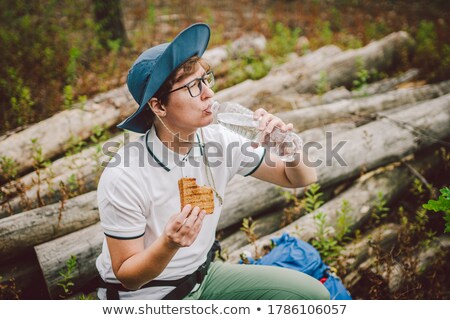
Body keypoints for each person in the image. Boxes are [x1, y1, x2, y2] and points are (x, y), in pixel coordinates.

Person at [95, 23, 330, 300]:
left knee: (313, 297)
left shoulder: (218, 140)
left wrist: (288, 145)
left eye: (206, 80)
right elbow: (128, 276)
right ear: (158, 106)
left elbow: (301, 179)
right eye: (193, 87)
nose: (209, 93)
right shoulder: (125, 175)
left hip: (203, 277)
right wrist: (169, 244)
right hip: (148, 296)